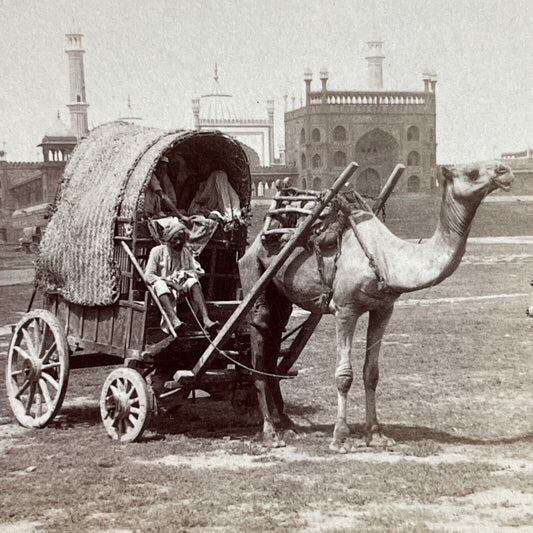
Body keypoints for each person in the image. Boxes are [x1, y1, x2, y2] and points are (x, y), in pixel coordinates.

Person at [144, 218, 219, 335]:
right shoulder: (157, 251)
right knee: (159, 285)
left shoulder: (185, 252)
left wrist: (183, 280)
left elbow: (192, 271)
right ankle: (174, 320)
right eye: (176, 239)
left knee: (193, 281)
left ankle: (206, 319)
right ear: (168, 238)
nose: (179, 242)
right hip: (163, 288)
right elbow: (149, 275)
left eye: (181, 240)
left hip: (180, 284)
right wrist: (172, 284)